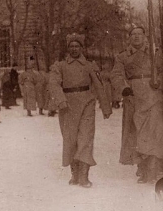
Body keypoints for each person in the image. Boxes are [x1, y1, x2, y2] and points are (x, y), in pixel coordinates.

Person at [48, 33, 111, 188]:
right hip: (67, 106)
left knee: (85, 139)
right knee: (70, 140)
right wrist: (61, 100)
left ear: (82, 48)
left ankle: (84, 176)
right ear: (68, 48)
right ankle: (74, 174)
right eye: (71, 46)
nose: (74, 49)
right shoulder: (60, 66)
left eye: (77, 46)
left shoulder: (90, 65)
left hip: (86, 105)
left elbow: (99, 85)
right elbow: (53, 84)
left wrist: (105, 106)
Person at [110, 26, 163, 183]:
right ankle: (142, 167)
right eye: (133, 35)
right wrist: (123, 87)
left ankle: (153, 169)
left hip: (154, 96)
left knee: (154, 132)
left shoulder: (156, 54)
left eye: (140, 34)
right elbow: (116, 74)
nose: (136, 37)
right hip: (133, 98)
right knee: (137, 133)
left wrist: (159, 81)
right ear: (129, 38)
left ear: (145, 36)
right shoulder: (123, 56)